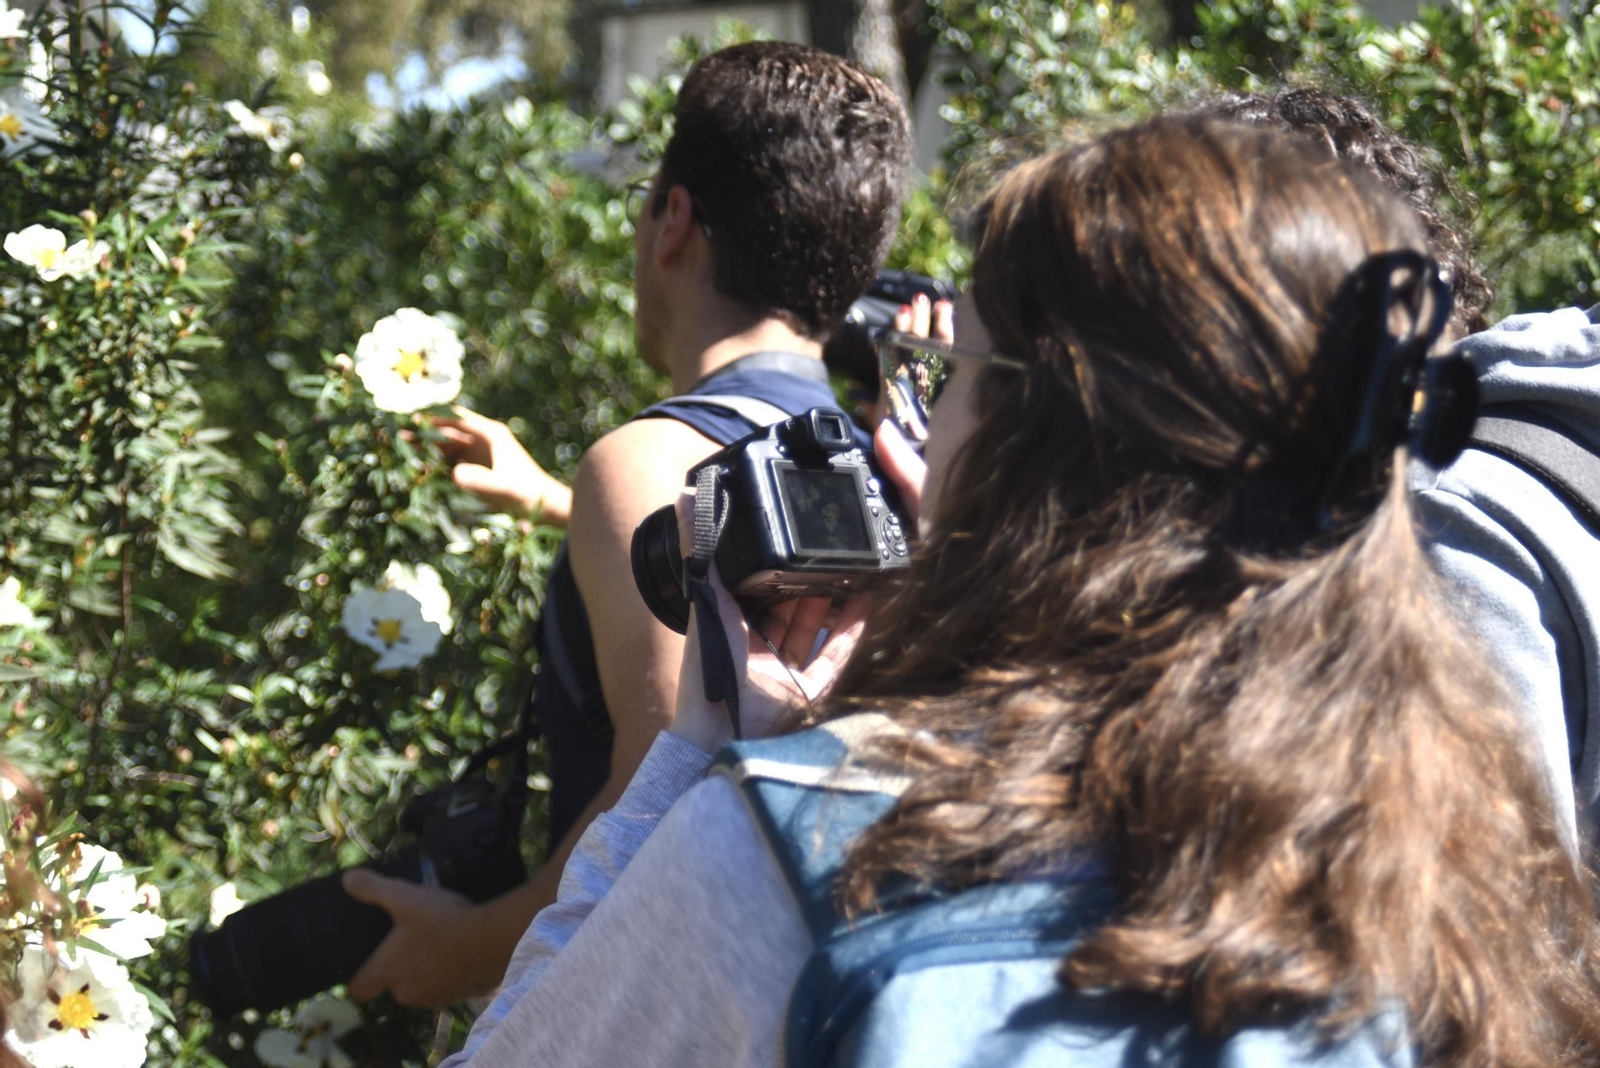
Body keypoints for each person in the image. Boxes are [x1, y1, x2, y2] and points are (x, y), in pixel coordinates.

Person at [447, 115, 1600, 1066]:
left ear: (1025, 433)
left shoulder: (808, 854)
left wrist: (703, 767)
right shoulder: (1464, 867)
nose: (918, 421)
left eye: (949, 372)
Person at [339, 40, 913, 1008]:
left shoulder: (650, 463)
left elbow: (663, 800)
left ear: (674, 220)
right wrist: (562, 507)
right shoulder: (877, 460)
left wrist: (462, 952)